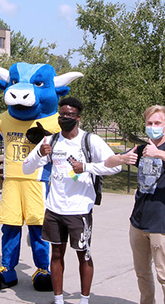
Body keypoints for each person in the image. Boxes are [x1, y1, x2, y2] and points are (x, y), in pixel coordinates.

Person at [23, 97, 137, 304]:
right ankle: (58, 299)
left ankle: (84, 300)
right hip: (54, 209)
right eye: (62, 114)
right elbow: (26, 167)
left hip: (79, 210)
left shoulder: (89, 141)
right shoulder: (50, 141)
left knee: (83, 254)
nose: (65, 118)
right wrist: (39, 153)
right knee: (56, 254)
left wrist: (86, 167)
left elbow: (115, 166)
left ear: (78, 118)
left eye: (70, 115)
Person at [111, 105, 165, 304]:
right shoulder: (141, 149)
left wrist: (159, 154)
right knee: (142, 272)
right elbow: (108, 162)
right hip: (138, 221)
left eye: (157, 123)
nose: (153, 126)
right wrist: (122, 158)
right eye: (149, 123)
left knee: (164, 274)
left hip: (161, 222)